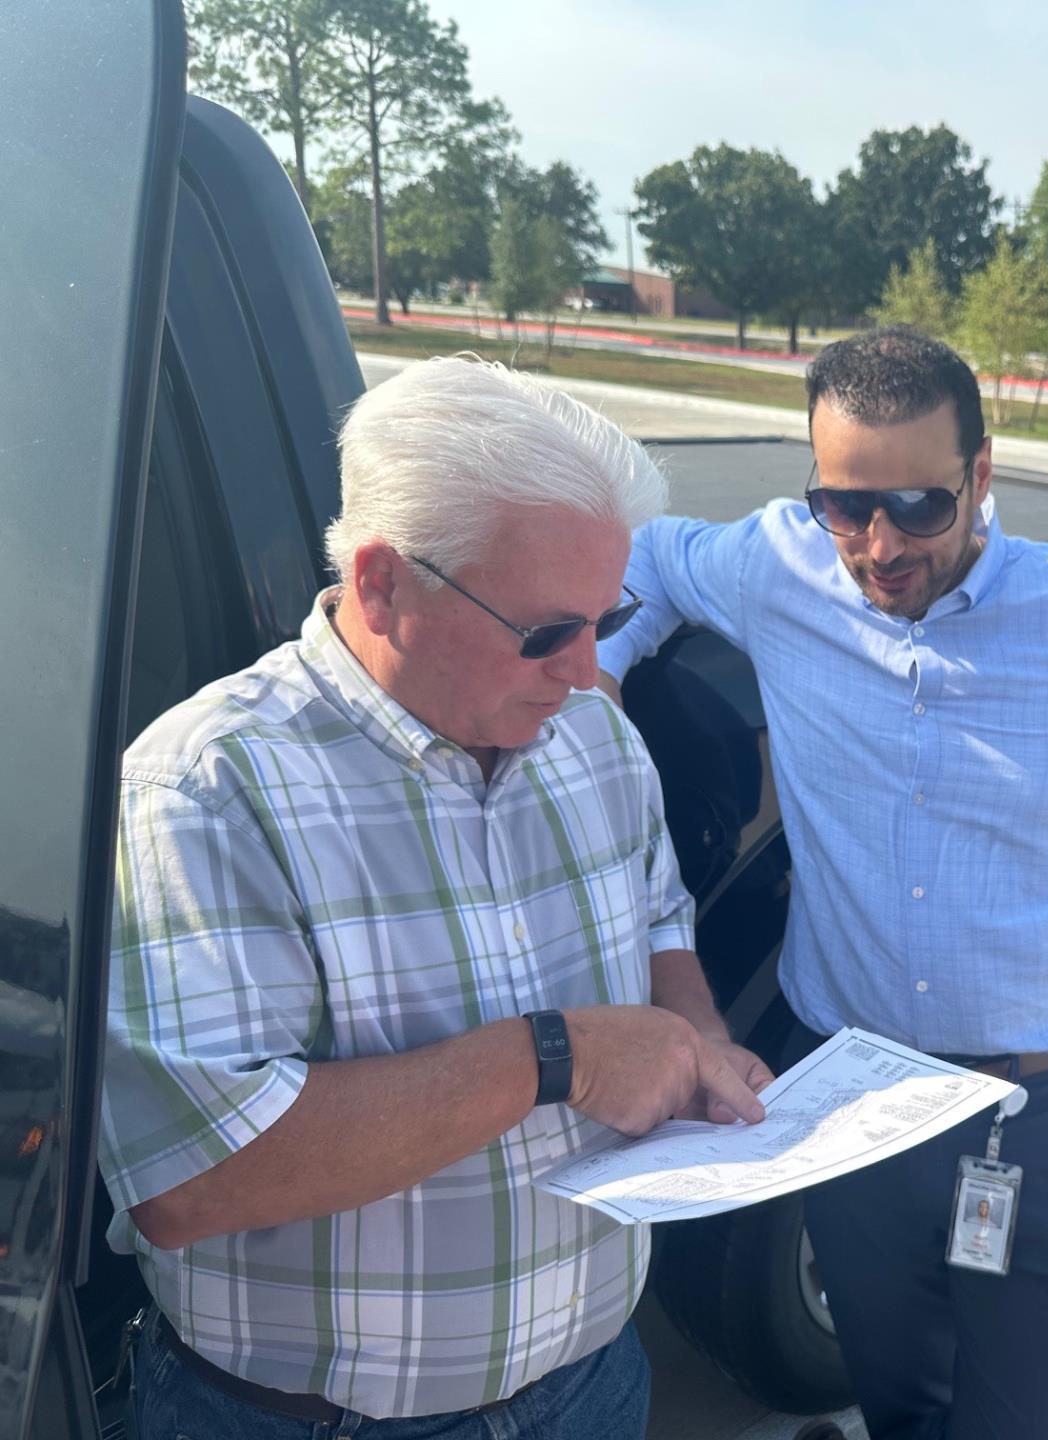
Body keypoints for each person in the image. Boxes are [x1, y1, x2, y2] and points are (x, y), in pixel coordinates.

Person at [596, 328, 1048, 1440]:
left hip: (1039, 1109)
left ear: (981, 478)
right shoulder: (775, 564)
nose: (880, 545)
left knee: (1029, 1413)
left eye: (921, 506)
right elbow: (642, 562)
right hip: (854, 1095)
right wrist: (589, 688)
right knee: (896, 1395)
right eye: (845, 506)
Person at [100, 357, 769, 1437]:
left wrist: (695, 1039)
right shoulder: (209, 789)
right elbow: (194, 1180)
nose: (586, 667)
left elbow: (656, 918)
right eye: (548, 630)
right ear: (383, 583)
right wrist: (561, 1056)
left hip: (594, 1386)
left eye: (611, 615)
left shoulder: (593, 736)